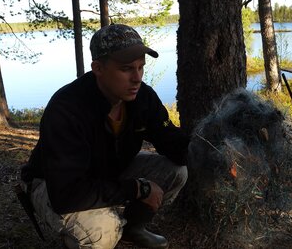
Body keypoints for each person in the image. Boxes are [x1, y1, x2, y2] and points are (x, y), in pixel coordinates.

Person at [20, 24, 189, 249]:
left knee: (177, 171)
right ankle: (85, 236)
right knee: (102, 231)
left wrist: (215, 155)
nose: (137, 78)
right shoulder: (67, 109)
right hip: (53, 186)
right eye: (126, 69)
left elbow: (171, 140)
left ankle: (132, 229)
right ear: (98, 68)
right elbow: (67, 195)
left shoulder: (142, 97)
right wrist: (138, 188)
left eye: (141, 67)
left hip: (106, 172)